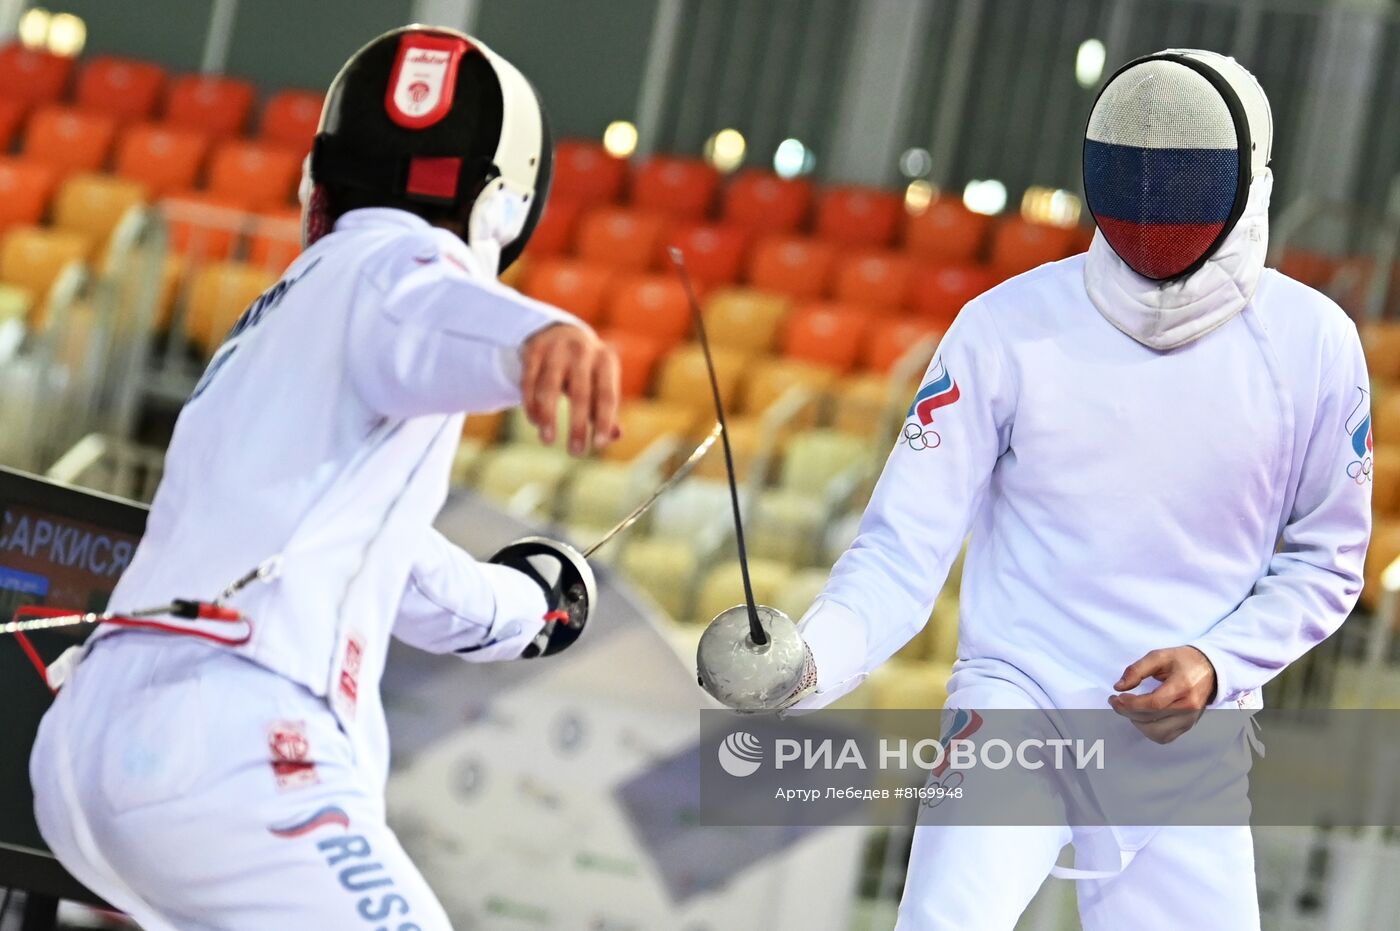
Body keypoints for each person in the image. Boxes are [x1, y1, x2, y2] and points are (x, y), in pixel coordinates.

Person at [29, 26, 615, 931]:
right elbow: (424, 300)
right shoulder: (395, 269)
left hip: (89, 751)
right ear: (501, 213)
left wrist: (526, 607)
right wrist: (538, 337)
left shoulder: (274, 328)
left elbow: (391, 561)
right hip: (231, 745)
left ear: (320, 179)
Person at [772, 50, 1371, 929]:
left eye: (1185, 176)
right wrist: (806, 660)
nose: (1154, 200)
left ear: (1247, 181)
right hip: (1016, 701)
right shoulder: (1005, 328)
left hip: (1187, 733)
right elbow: (902, 553)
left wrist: (1218, 662)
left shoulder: (1313, 344)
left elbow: (1328, 559)